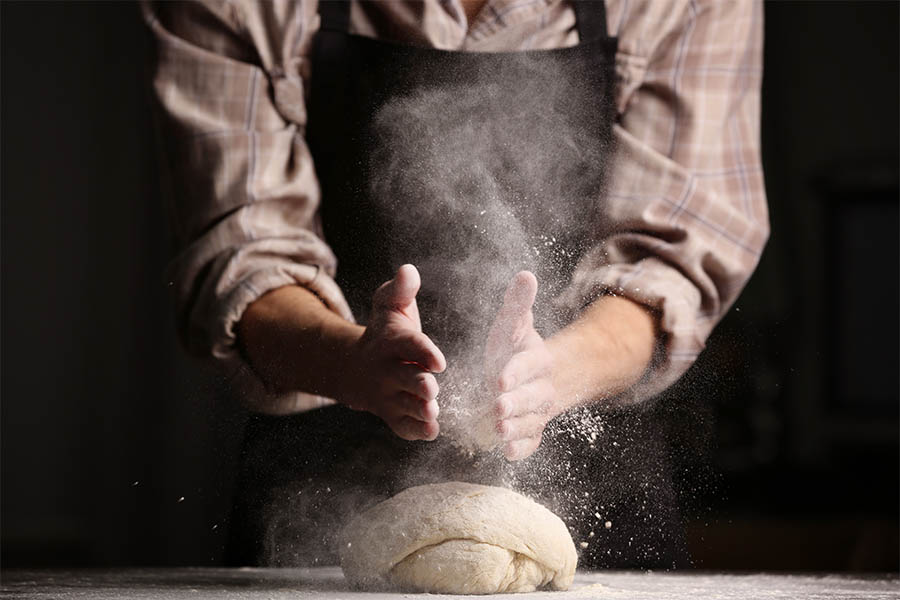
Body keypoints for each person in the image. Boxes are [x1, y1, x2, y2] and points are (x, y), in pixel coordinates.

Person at [143, 0, 768, 569]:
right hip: (320, 470)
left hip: (593, 464)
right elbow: (243, 251)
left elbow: (672, 261)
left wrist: (551, 374)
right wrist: (352, 364)